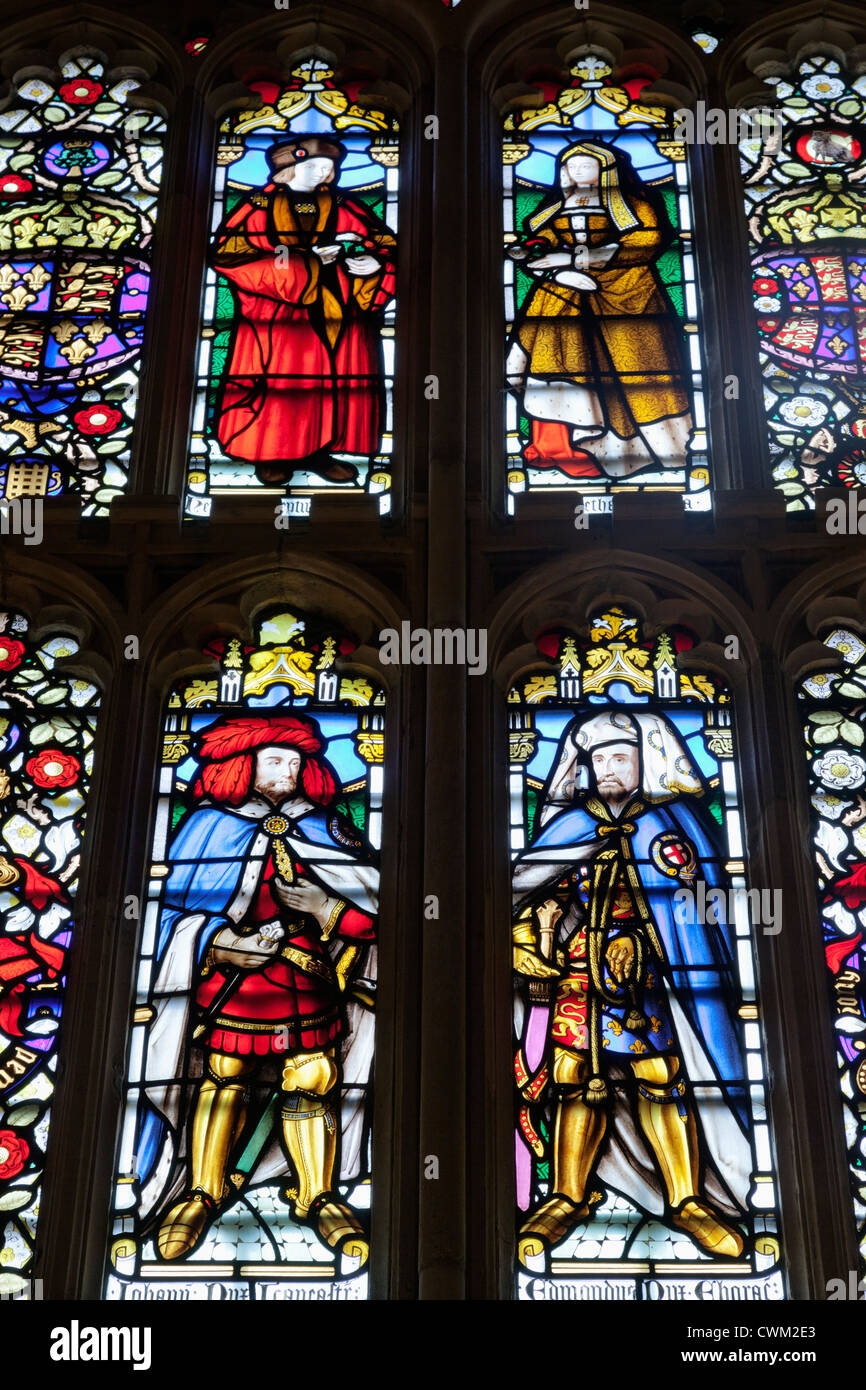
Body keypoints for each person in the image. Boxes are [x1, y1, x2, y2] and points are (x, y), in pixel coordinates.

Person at [512, 711, 751, 1265]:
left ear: (647, 761)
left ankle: (688, 1200)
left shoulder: (672, 821)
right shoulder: (570, 824)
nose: (607, 769)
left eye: (620, 757)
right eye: (597, 760)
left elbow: (703, 900)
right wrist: (529, 935)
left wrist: (645, 942)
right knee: (572, 1074)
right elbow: (524, 888)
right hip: (576, 970)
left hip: (654, 978)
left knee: (659, 1073)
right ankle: (567, 1196)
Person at [140, 714, 379, 1264]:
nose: (288, 771)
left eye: (296, 762)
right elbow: (169, 913)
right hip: (232, 979)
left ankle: (319, 1195)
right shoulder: (208, 828)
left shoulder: (327, 828)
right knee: (224, 1077)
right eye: (276, 760)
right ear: (243, 765)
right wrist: (215, 941)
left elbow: (375, 915)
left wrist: (327, 907)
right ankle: (200, 1193)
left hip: (308, 978)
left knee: (315, 1076)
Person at [212, 136, 397, 485]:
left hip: (339, 305)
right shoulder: (256, 205)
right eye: (314, 166)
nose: (323, 173)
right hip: (276, 313)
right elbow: (227, 255)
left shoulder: (344, 204)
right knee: (282, 379)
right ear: (288, 168)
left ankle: (319, 451)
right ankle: (271, 452)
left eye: (329, 168)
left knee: (330, 379)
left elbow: (385, 245)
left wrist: (374, 262)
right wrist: (304, 262)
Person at [506, 140, 693, 479]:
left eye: (586, 165)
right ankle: (563, 448)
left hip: (627, 291)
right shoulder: (557, 206)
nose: (578, 172)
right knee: (556, 360)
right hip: (563, 291)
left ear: (605, 170)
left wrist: (579, 259)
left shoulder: (630, 205)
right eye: (571, 166)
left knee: (634, 368)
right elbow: (542, 236)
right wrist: (533, 252)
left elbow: (647, 241)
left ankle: (636, 448)